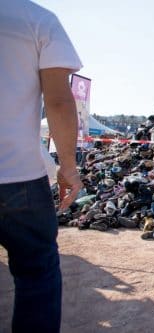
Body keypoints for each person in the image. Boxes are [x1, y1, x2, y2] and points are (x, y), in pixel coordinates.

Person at [0, 1, 83, 332]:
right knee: (37, 273)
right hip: (19, 177)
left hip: (22, 176)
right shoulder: (37, 20)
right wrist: (68, 169)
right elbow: (59, 101)